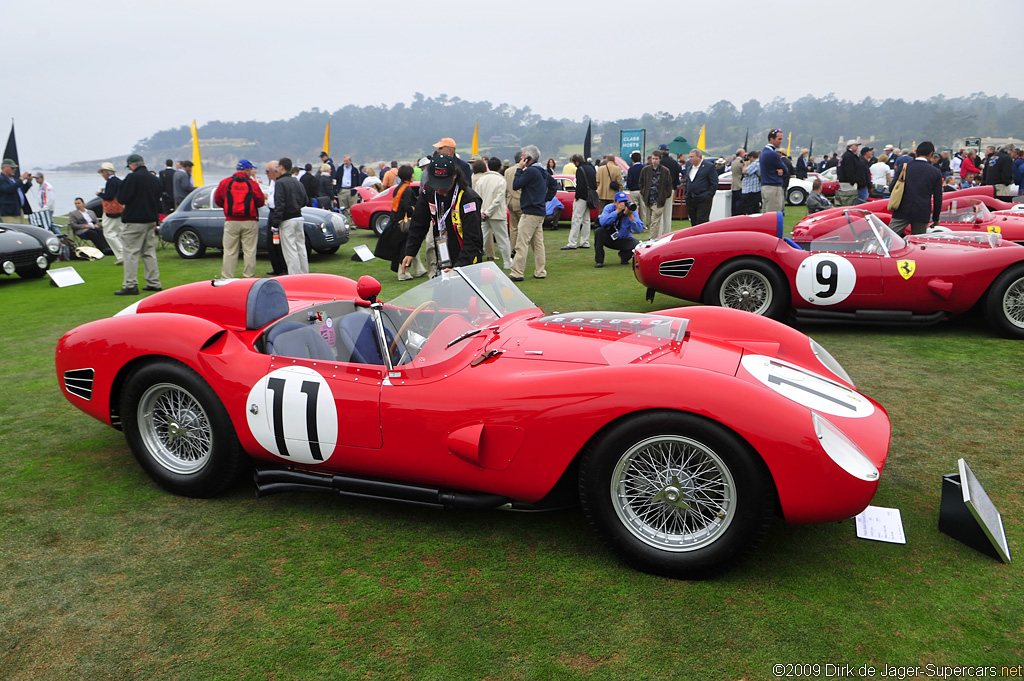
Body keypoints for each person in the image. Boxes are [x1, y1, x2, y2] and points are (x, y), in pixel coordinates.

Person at [401, 154, 483, 276]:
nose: (439, 190)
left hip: (467, 262)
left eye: (444, 185)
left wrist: (458, 268)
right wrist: (410, 251)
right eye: (436, 185)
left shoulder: (468, 199)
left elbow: (473, 240)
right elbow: (419, 222)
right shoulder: (429, 191)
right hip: (443, 256)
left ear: (454, 176)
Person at [114, 154, 163, 295]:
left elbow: (122, 198)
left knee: (130, 252)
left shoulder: (132, 178)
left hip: (134, 220)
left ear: (132, 165)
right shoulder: (154, 179)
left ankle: (130, 285)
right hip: (150, 220)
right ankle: (154, 282)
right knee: (148, 252)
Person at [509, 144, 558, 281]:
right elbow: (553, 185)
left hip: (530, 211)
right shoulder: (542, 171)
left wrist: (519, 169)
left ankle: (517, 272)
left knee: (522, 242)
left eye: (523, 156)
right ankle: (540, 271)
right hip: (539, 210)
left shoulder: (530, 171)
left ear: (528, 159)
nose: (521, 158)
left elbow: (516, 185)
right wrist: (544, 199)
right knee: (538, 243)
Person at [214, 159, 265, 279]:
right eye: (251, 169)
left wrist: (228, 206)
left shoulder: (225, 182)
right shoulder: (252, 184)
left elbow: (218, 199)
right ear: (246, 170)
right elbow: (261, 201)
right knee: (249, 251)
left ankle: (227, 277)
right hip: (250, 221)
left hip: (231, 221)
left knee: (230, 251)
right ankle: (248, 276)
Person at [374, 165, 426, 280]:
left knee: (412, 246)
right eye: (412, 174)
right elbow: (408, 207)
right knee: (406, 248)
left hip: (397, 222)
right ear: (409, 175)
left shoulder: (399, 188)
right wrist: (417, 211)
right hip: (404, 224)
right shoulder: (407, 190)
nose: (413, 176)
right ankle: (403, 274)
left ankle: (419, 269)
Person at [888, 141, 943, 237]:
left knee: (889, 238)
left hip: (902, 209)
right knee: (918, 242)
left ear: (916, 153)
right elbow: (938, 198)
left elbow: (892, 188)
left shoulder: (904, 168)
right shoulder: (935, 172)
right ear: (931, 154)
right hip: (922, 211)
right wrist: (935, 218)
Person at [271, 157, 309, 275]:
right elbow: (305, 200)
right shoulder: (297, 182)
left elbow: (279, 205)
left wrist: (275, 224)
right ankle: (305, 274)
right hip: (299, 217)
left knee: (290, 250)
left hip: (287, 220)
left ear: (282, 167)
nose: (277, 169)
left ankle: (294, 276)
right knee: (301, 248)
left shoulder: (280, 183)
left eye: (277, 166)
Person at [473, 157, 511, 269]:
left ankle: (475, 261)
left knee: (480, 240)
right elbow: (499, 199)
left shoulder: (481, 180)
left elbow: (476, 198)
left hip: (483, 214)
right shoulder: (501, 180)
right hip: (497, 214)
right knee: (503, 239)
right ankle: (507, 263)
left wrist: (483, 212)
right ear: (500, 168)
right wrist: (489, 212)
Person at [594, 191, 644, 268]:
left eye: (625, 202)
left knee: (637, 244)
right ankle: (599, 261)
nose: (623, 204)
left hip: (624, 238)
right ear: (615, 202)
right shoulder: (609, 208)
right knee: (599, 232)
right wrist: (616, 212)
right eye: (620, 202)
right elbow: (603, 222)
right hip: (609, 237)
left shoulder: (630, 210)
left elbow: (639, 229)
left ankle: (624, 257)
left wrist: (630, 215)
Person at [639, 150, 674, 238]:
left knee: (655, 221)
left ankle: (652, 239)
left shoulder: (665, 171)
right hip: (648, 199)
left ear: (660, 160)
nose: (654, 160)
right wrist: (643, 192)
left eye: (656, 159)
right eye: (653, 158)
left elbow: (669, 184)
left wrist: (665, 195)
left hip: (659, 200)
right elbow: (641, 182)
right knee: (650, 221)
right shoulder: (646, 170)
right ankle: (654, 238)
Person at [96, 161, 126, 264]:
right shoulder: (119, 181)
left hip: (111, 211)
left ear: (106, 172)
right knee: (119, 232)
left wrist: (100, 194)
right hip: (120, 209)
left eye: (103, 172)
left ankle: (121, 253)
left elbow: (109, 196)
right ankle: (123, 254)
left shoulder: (110, 182)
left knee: (109, 233)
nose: (102, 175)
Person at [562, 154, 592, 251]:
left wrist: (577, 197)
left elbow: (580, 185)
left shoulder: (580, 170)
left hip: (582, 197)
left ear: (576, 162)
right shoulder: (591, 168)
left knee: (576, 219)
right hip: (590, 197)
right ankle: (585, 242)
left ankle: (572, 243)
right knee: (586, 220)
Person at [683, 149, 719, 226]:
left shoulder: (709, 167)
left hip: (703, 199)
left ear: (699, 157)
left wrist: (709, 195)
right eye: (689, 157)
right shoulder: (689, 167)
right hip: (691, 199)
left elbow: (714, 182)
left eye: (692, 157)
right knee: (693, 221)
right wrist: (686, 194)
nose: (690, 159)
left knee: (702, 221)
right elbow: (688, 181)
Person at [263, 161, 286, 276]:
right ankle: (276, 267)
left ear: (275, 171)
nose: (266, 174)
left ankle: (283, 267)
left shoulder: (281, 182)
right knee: (271, 241)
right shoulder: (272, 182)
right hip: (272, 211)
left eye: (268, 171)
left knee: (280, 242)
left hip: (278, 212)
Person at [759, 129, 786, 213]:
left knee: (765, 216)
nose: (781, 141)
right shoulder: (772, 154)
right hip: (773, 188)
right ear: (771, 139)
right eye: (779, 139)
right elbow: (786, 170)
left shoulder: (763, 152)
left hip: (765, 187)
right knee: (773, 217)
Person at [0, 158, 32, 223]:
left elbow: (22, 191)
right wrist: (21, 179)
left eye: (15, 168)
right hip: (8, 212)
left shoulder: (13, 179)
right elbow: (8, 189)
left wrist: (28, 182)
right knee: (13, 230)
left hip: (18, 210)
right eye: (12, 168)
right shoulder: (1, 179)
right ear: (4, 167)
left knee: (22, 230)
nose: (14, 170)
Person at [504, 151, 523, 258]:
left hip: (510, 201)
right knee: (522, 227)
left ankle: (512, 248)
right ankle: (519, 248)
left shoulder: (508, 171)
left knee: (513, 227)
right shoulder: (523, 170)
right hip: (520, 200)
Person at [835, 140, 861, 207]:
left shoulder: (844, 155)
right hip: (848, 182)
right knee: (850, 200)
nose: (858, 147)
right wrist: (853, 181)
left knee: (845, 198)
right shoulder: (849, 156)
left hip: (843, 180)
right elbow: (849, 170)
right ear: (851, 146)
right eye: (856, 146)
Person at [625, 150, 645, 222]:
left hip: (633, 191)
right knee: (643, 210)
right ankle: (643, 225)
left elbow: (629, 181)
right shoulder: (644, 168)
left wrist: (630, 187)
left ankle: (636, 223)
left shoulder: (631, 169)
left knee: (634, 209)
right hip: (643, 191)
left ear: (632, 160)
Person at [741, 150, 762, 215]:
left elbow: (745, 171)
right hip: (756, 189)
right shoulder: (760, 163)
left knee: (748, 208)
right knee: (755, 208)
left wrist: (745, 165)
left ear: (752, 157)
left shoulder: (755, 163)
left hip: (751, 189)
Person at [729, 149, 746, 217]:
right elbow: (745, 171)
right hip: (740, 185)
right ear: (741, 154)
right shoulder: (741, 163)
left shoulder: (734, 162)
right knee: (740, 204)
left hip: (734, 185)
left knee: (734, 204)